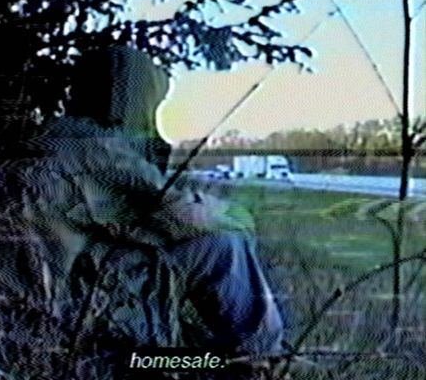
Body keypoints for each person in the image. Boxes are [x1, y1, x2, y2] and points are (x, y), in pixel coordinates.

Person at [21, 45, 284, 360]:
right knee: (224, 245)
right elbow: (173, 212)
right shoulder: (96, 149)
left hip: (53, 291)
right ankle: (260, 361)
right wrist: (232, 213)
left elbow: (136, 212)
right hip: (78, 309)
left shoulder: (54, 137)